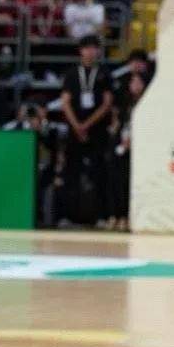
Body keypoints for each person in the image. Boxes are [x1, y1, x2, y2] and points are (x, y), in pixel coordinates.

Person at [60, 34, 113, 226]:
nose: (91, 52)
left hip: (97, 130)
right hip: (75, 130)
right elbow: (65, 102)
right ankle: (67, 215)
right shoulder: (72, 73)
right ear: (81, 51)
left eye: (94, 48)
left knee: (99, 171)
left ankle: (101, 216)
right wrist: (77, 125)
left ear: (98, 51)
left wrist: (87, 124)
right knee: (71, 172)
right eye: (87, 48)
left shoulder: (104, 73)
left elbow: (107, 103)